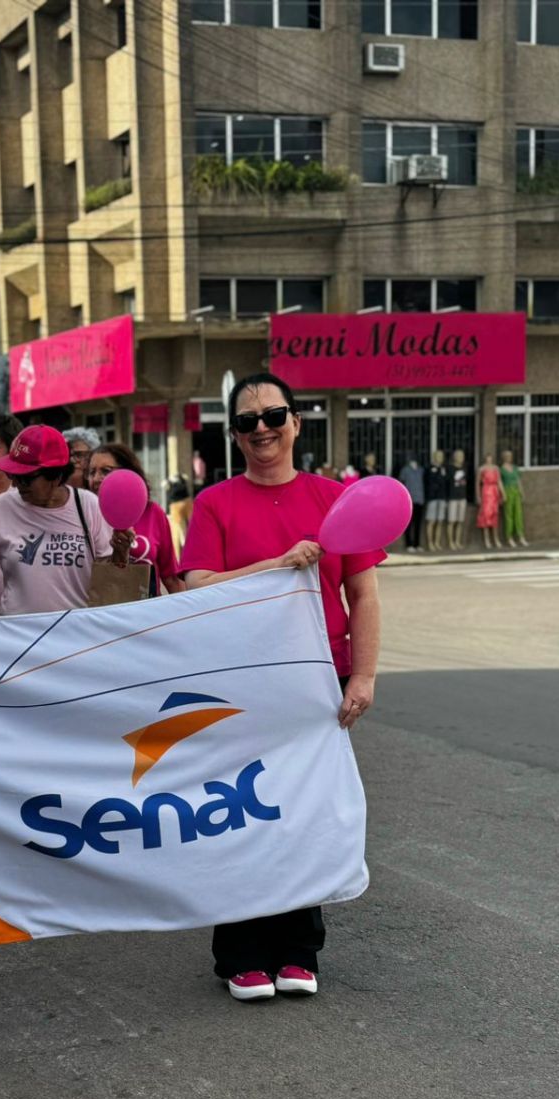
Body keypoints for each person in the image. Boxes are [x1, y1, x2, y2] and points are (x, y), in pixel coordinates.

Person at [179, 373, 384, 1004]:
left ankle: (298, 948)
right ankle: (240, 953)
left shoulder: (333, 498)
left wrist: (365, 674)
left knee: (304, 814)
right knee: (239, 814)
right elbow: (195, 587)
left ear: (297, 422)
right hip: (237, 684)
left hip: (317, 681)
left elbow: (364, 593)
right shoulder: (215, 503)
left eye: (274, 415)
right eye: (247, 421)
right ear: (234, 436)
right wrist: (276, 565)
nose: (262, 428)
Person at [0, 425, 120, 616]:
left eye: (26, 478)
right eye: (13, 475)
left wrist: (121, 551)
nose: (16, 484)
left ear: (56, 476)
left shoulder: (88, 506)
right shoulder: (2, 508)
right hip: (18, 636)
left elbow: (108, 573)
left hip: (77, 635)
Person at [85, 444, 184, 594]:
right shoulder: (85, 514)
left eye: (105, 471)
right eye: (92, 472)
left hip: (149, 612)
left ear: (127, 473)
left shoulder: (152, 513)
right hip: (102, 611)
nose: (97, 478)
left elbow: (171, 578)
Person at [500, 451, 527, 548]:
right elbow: (500, 483)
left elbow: (518, 480)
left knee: (518, 514)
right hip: (508, 490)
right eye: (507, 456)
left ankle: (520, 536)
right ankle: (509, 537)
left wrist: (522, 492)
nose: (509, 457)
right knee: (509, 515)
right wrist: (503, 494)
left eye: (510, 456)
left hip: (516, 491)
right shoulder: (501, 469)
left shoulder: (515, 468)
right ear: (503, 457)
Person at [476, 454, 503, 550]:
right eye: (487, 458)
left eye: (490, 458)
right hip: (486, 492)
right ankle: (487, 540)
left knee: (495, 515)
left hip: (494, 491)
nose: (489, 460)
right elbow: (477, 483)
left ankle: (496, 539)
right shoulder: (481, 469)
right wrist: (478, 496)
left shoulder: (496, 468)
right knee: (486, 516)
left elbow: (499, 481)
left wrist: (503, 493)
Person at [62, 426, 100, 491]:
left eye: (79, 455)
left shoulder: (98, 485)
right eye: (69, 454)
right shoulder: (57, 486)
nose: (72, 460)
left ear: (91, 455)